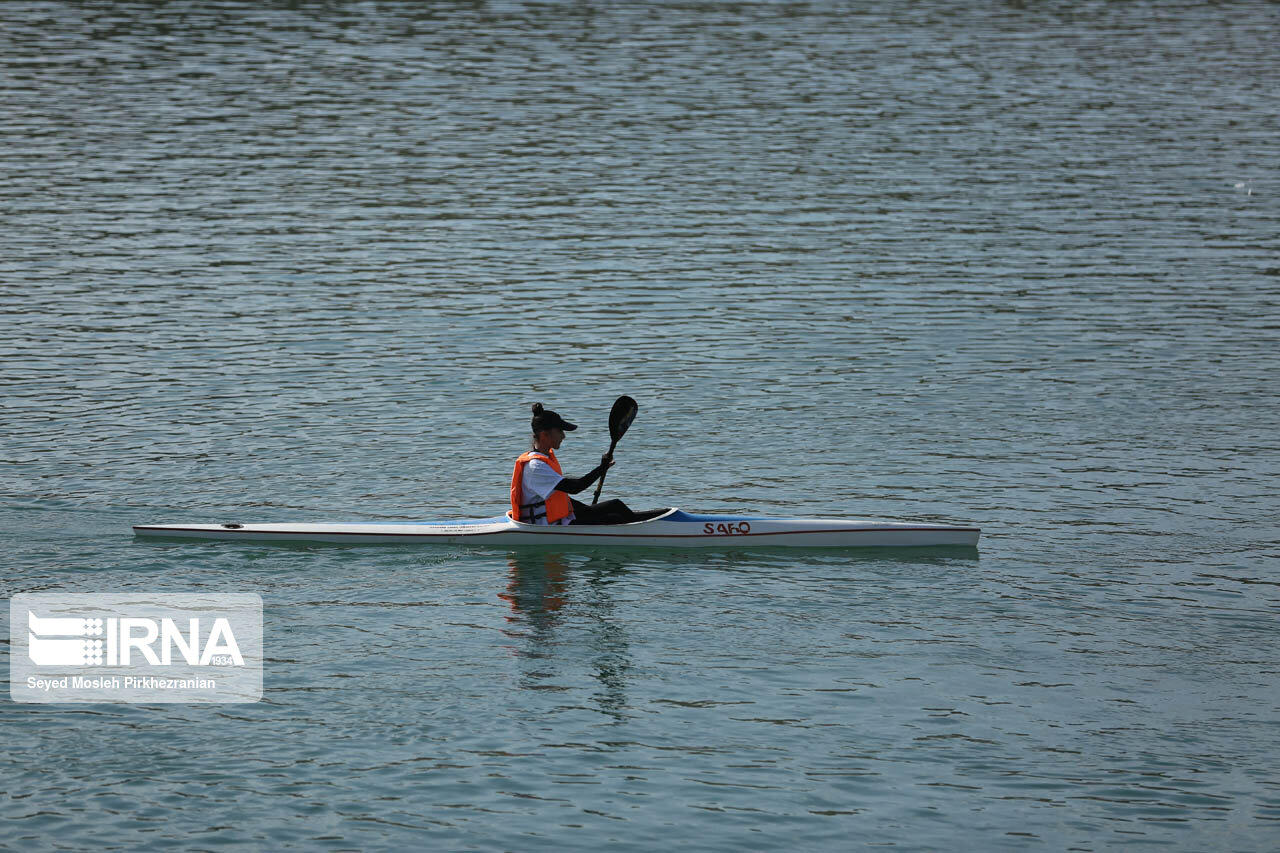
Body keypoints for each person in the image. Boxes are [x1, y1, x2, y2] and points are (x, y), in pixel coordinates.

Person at [510, 403, 637, 526]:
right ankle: (644, 531)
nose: (563, 436)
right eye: (560, 431)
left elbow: (561, 497)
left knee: (614, 506)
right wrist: (601, 469)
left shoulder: (545, 459)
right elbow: (575, 487)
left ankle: (647, 525)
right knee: (614, 518)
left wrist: (588, 510)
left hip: (561, 518)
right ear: (544, 435)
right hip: (547, 526)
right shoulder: (535, 467)